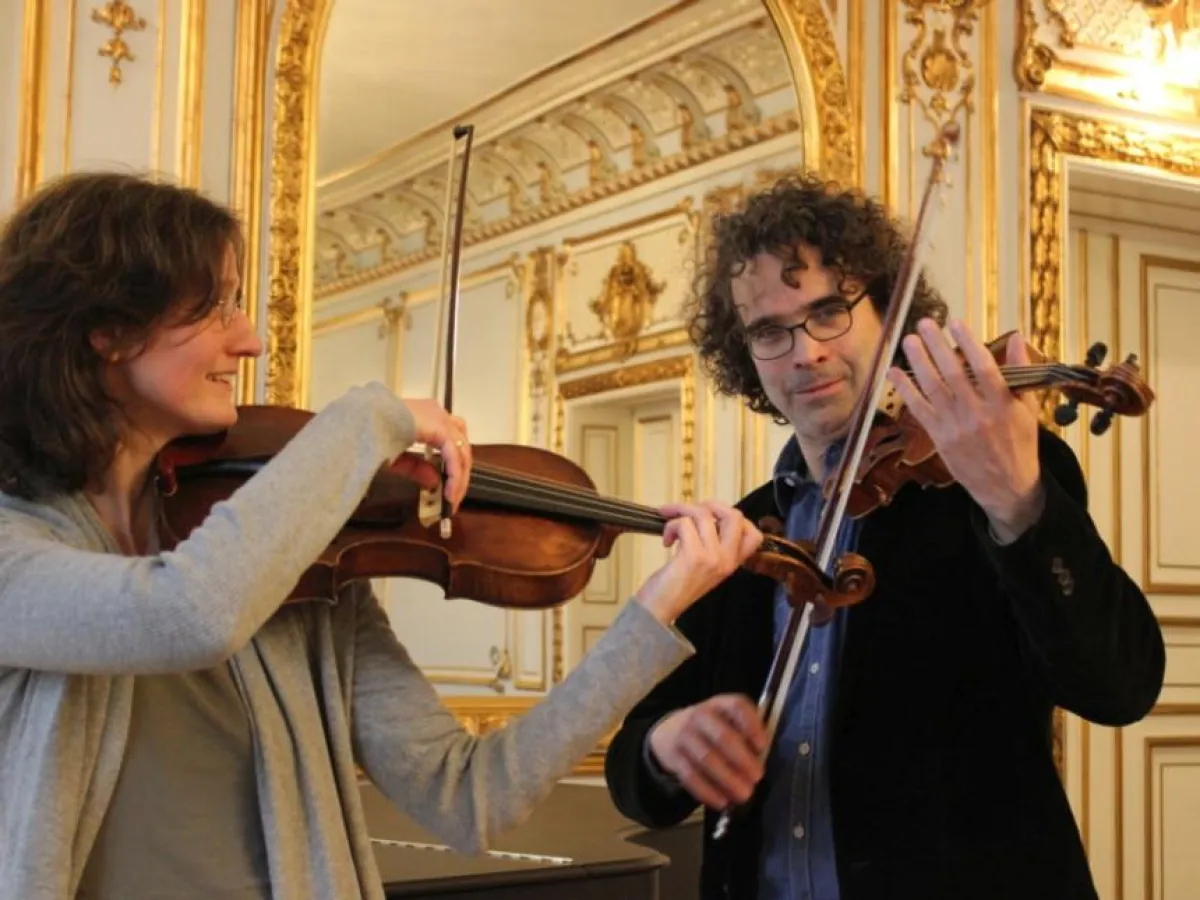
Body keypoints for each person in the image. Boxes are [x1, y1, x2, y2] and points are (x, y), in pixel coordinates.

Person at [0, 171, 764, 900]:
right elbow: (185, 616)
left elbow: (471, 797)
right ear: (107, 331)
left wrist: (657, 609)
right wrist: (367, 421)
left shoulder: (299, 567)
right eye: (214, 309)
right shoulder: (16, 548)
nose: (251, 341)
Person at [603, 172, 1166, 900]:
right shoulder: (741, 534)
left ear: (889, 315)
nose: (803, 352)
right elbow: (632, 772)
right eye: (770, 330)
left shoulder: (989, 478)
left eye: (829, 310)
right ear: (744, 353)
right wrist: (665, 745)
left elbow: (1119, 685)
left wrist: (1017, 500)